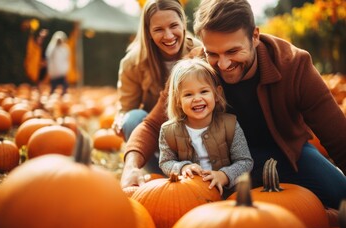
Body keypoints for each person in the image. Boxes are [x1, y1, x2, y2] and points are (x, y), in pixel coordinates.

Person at [120, 0, 346, 209]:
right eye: (213, 54)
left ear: (255, 36)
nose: (224, 64)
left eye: (233, 51)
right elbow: (151, 125)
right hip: (215, 163)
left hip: (282, 156)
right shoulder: (194, 66)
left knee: (339, 192)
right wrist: (131, 166)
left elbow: (337, 135)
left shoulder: (294, 65)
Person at [159, 58, 253, 196]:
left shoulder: (230, 125)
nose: (197, 98)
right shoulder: (169, 131)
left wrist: (224, 175)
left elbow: (245, 162)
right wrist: (182, 167)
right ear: (178, 101)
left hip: (228, 195)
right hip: (189, 195)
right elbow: (166, 162)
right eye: (188, 94)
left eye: (203, 91)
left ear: (216, 94)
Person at [112, 0, 201, 143]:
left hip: (194, 129)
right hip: (157, 130)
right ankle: (153, 164)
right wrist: (121, 118)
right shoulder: (132, 63)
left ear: (183, 23)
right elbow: (127, 108)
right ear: (148, 32)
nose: (168, 36)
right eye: (159, 29)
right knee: (132, 119)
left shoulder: (199, 52)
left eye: (173, 26)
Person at [46, 31, 70, 96]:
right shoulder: (52, 48)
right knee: (53, 86)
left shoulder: (65, 48)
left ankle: (63, 96)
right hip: (54, 71)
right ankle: (52, 96)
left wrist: (66, 69)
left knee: (64, 86)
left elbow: (66, 59)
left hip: (62, 71)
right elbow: (49, 56)